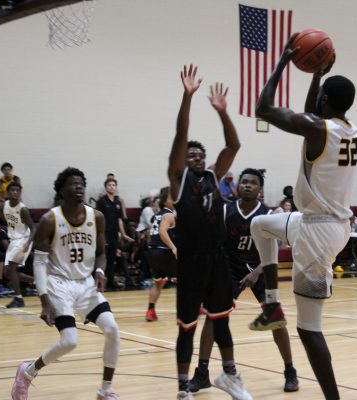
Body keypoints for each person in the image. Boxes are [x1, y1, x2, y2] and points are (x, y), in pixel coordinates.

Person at [249, 33, 357, 400]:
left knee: (310, 329)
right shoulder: (350, 129)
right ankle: (270, 304)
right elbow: (313, 112)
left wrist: (283, 61)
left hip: (317, 234)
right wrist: (315, 76)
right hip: (321, 223)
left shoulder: (318, 129)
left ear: (327, 101)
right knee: (260, 224)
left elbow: (263, 109)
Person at [167, 65, 251, 400]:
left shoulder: (215, 177)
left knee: (221, 320)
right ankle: (183, 387)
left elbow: (234, 144)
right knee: (187, 327)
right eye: (192, 155)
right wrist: (187, 98)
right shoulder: (179, 178)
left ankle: (230, 375)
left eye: (200, 155)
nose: (197, 158)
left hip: (217, 259)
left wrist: (223, 112)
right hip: (190, 261)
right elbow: (180, 137)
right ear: (183, 161)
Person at [11, 167, 121, 400]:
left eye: (81, 183)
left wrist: (100, 270)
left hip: (85, 284)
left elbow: (102, 252)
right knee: (69, 341)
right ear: (62, 190)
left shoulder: (96, 217)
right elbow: (39, 263)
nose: (79, 186)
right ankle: (28, 371)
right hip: (58, 284)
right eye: (73, 183)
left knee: (112, 329)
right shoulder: (50, 219)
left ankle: (105, 390)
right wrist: (44, 301)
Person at [191, 169, 299, 394]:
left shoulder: (270, 214)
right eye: (244, 182)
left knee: (275, 318)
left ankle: (290, 371)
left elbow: (276, 251)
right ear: (238, 186)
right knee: (213, 315)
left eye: (253, 183)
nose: (247, 185)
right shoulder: (225, 210)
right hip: (230, 268)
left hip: (261, 267)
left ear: (260, 190)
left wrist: (257, 272)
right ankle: (202, 373)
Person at [0, 182, 35, 308]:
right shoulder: (3, 205)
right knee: (7, 273)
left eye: (18, 190)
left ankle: (18, 299)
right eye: (12, 190)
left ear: (20, 193)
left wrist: (28, 243)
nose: (15, 192)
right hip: (13, 240)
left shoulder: (23, 209)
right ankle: (37, 281)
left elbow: (33, 228)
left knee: (12, 269)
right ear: (7, 192)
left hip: (23, 239)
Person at [144, 187, 177, 322]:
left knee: (158, 283)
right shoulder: (169, 215)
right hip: (164, 251)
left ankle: (150, 311)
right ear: (165, 201)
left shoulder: (156, 215)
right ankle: (187, 311)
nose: (175, 199)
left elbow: (149, 234)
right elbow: (163, 232)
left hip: (152, 251)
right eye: (171, 197)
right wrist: (173, 247)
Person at [96, 177, 134, 290]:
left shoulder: (118, 202)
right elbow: (97, 218)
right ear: (106, 187)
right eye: (109, 185)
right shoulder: (101, 201)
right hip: (104, 234)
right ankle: (101, 282)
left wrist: (123, 234)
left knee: (112, 259)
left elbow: (119, 220)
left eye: (113, 185)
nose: (112, 187)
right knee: (103, 258)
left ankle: (111, 283)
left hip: (114, 234)